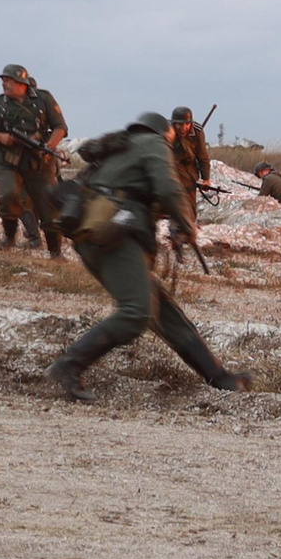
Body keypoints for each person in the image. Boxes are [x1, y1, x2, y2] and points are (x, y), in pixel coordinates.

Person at [45, 113, 250, 401]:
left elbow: (141, 190)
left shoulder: (120, 149)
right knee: (137, 311)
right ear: (166, 134)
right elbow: (167, 187)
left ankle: (219, 377)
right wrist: (187, 223)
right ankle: (69, 365)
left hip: (96, 234)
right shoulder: (153, 143)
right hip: (116, 234)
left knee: (164, 313)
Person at [0, 62, 68, 255]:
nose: (4, 84)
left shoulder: (43, 99)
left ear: (22, 82)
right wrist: (1, 137)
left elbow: (60, 127)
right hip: (8, 161)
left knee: (48, 206)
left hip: (39, 162)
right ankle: (9, 236)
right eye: (3, 80)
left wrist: (49, 146)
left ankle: (55, 252)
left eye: (9, 80)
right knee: (7, 196)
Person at [166, 106, 210, 211]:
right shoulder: (166, 130)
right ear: (174, 124)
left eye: (187, 124)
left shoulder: (197, 132)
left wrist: (206, 179)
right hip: (169, 168)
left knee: (189, 207)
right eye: (180, 124)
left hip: (188, 170)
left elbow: (202, 156)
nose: (184, 127)